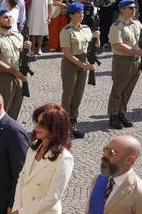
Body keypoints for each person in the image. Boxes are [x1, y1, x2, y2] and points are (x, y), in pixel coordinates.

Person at [59, 2, 98, 139]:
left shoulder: (86, 29)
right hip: (71, 63)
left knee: (78, 95)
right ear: (71, 15)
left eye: (82, 13)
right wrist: (82, 65)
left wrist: (97, 38)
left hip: (83, 61)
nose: (81, 15)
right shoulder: (66, 31)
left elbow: (93, 46)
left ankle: (72, 123)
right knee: (68, 95)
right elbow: (67, 53)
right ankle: (63, 127)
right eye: (78, 13)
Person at [0, 9, 32, 120]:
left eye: (10, 17)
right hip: (5, 78)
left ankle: (10, 135)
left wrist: (28, 48)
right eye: (5, 17)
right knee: (1, 113)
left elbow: (24, 56)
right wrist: (14, 72)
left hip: (20, 77)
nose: (9, 19)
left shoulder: (18, 36)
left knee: (14, 112)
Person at [106, 0, 141, 130]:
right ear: (122, 10)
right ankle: (113, 116)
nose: (134, 10)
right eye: (130, 8)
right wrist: (136, 51)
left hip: (136, 60)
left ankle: (121, 113)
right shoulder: (117, 26)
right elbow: (117, 44)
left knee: (128, 90)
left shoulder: (136, 24)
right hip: (122, 60)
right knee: (118, 89)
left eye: (135, 7)